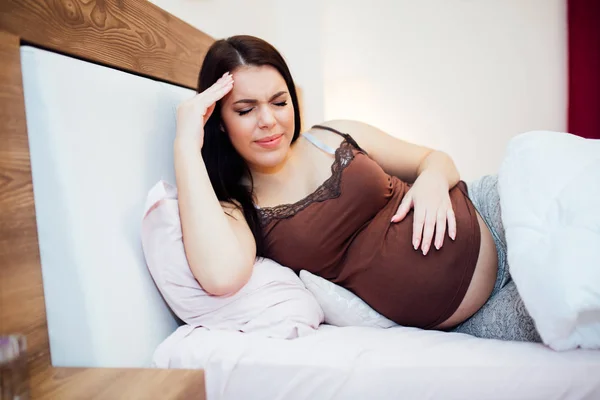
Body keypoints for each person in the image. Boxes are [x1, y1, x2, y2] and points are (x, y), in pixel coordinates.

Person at [174, 35, 540, 342]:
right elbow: (220, 277)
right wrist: (186, 143)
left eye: (279, 102)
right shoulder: (236, 207)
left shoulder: (332, 136)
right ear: (219, 122)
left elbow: (435, 159)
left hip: (493, 213)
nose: (268, 121)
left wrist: (430, 181)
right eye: (245, 110)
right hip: (475, 318)